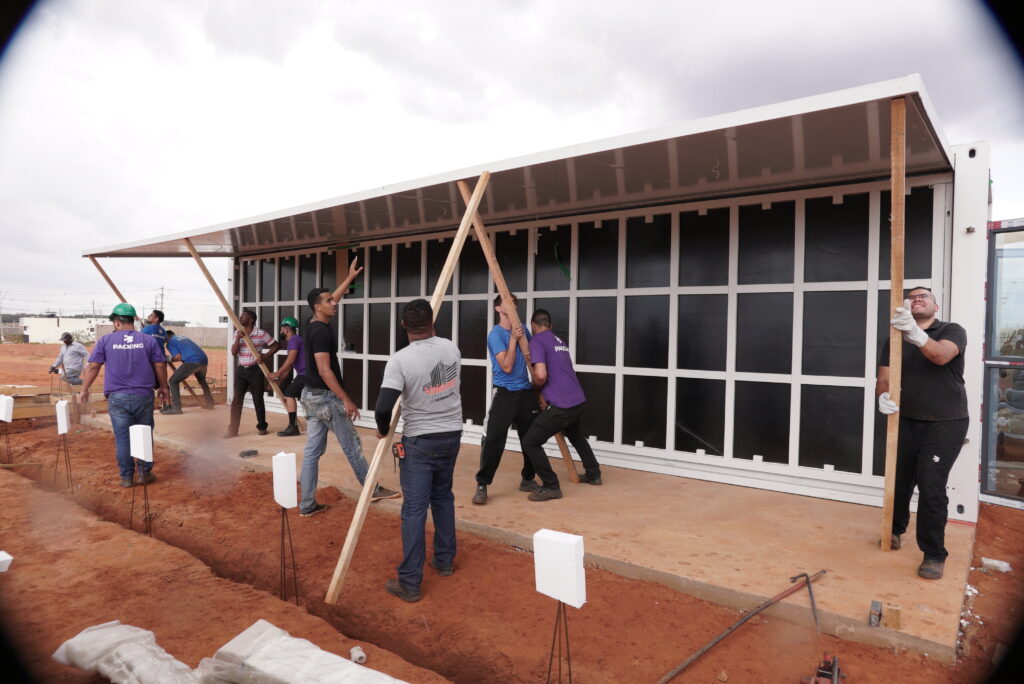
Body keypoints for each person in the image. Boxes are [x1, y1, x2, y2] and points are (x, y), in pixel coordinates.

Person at [877, 286, 968, 580]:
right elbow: (884, 377)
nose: (917, 300)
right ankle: (894, 531)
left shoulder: (952, 330)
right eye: (912, 297)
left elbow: (941, 356)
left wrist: (915, 334)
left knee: (930, 486)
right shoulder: (893, 337)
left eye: (923, 296)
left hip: (946, 422)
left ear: (935, 306)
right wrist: (882, 396)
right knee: (899, 480)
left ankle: (933, 554)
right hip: (904, 420)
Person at [375, 298, 463, 602]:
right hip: (452, 434)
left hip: (421, 440)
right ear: (433, 322)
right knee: (443, 497)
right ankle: (444, 561)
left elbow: (383, 406)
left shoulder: (400, 360)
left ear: (404, 326)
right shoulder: (451, 348)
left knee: (414, 510)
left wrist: (383, 429)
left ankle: (410, 583)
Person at [299, 286, 399, 517]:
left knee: (312, 452)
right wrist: (346, 399)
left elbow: (332, 297)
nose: (334, 303)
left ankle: (306, 505)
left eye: (334, 300)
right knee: (352, 446)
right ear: (317, 306)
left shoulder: (311, 324)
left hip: (310, 396)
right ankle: (372, 489)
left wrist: (351, 279)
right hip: (325, 398)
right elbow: (325, 370)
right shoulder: (322, 332)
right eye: (328, 301)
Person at [78, 303, 168, 487]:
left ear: (117, 322)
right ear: (133, 320)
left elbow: (94, 366)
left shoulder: (105, 341)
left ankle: (127, 477)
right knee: (144, 433)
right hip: (143, 395)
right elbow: (160, 365)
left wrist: (84, 389)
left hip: (118, 398)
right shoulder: (148, 340)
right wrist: (164, 388)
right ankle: (144, 473)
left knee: (123, 437)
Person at [519, 309, 602, 502]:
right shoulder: (559, 342)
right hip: (578, 400)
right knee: (576, 435)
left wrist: (534, 388)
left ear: (533, 325)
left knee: (530, 441)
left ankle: (551, 486)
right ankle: (593, 473)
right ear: (550, 325)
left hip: (562, 405)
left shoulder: (537, 341)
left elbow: (540, 375)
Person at [472, 293, 539, 505]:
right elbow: (507, 366)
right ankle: (482, 483)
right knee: (493, 438)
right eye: (508, 304)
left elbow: (533, 359)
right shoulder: (496, 335)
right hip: (505, 391)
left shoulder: (523, 330)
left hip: (526, 391)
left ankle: (528, 479)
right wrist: (513, 339)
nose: (513, 307)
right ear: (498, 309)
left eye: (516, 304)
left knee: (532, 439)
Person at [225, 310, 279, 438]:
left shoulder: (261, 334)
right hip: (241, 371)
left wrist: (265, 356)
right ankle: (233, 430)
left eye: (243, 316)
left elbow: (276, 345)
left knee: (258, 400)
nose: (240, 317)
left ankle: (262, 427)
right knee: (236, 400)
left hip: (255, 370)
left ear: (251, 320)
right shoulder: (237, 333)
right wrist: (238, 338)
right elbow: (234, 352)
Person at [161, 330, 215, 413]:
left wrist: (168, 358)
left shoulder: (170, 343)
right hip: (203, 360)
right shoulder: (183, 338)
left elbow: (178, 357)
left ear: (167, 337)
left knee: (173, 381)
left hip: (193, 361)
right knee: (202, 381)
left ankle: (176, 408)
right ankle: (210, 403)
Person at [269, 316, 305, 437]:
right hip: (305, 374)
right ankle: (293, 426)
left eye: (281, 328)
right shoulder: (296, 340)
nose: (280, 331)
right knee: (292, 393)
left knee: (290, 394)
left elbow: (290, 360)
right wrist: (278, 380)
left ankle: (293, 427)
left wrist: (276, 374)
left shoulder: (294, 340)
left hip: (306, 374)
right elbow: (289, 368)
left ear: (286, 329)